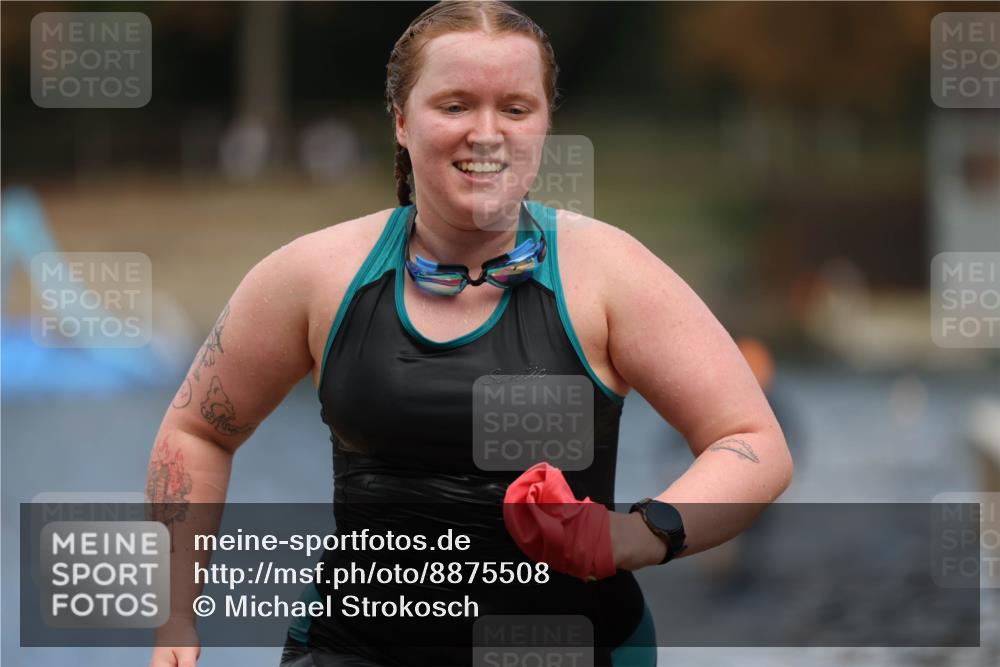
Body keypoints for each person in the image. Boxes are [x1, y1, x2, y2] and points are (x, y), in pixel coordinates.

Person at [147, 2, 794, 666]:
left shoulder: (610, 275)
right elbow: (197, 430)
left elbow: (753, 441)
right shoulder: (316, 276)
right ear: (400, 119)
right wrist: (176, 623)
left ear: (544, 124)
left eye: (516, 109)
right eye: (455, 106)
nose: (487, 134)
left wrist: (636, 533)